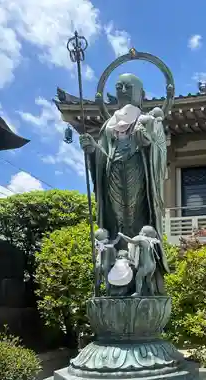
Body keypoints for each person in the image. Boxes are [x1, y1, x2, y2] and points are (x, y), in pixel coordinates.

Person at [79, 74, 168, 296]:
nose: (124, 90)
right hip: (113, 174)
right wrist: (91, 150)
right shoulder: (108, 125)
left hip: (138, 171)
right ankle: (117, 278)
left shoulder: (147, 120)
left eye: (129, 86)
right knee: (116, 222)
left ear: (140, 93)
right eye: (119, 86)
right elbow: (102, 154)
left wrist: (148, 141)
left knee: (137, 219)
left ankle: (141, 279)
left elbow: (160, 149)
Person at [117, 226, 161, 297]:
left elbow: (131, 241)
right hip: (152, 265)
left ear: (144, 234)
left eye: (141, 231)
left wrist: (122, 235)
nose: (139, 233)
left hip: (146, 265)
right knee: (148, 280)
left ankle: (138, 292)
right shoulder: (150, 241)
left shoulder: (142, 239)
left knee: (138, 277)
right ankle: (152, 293)